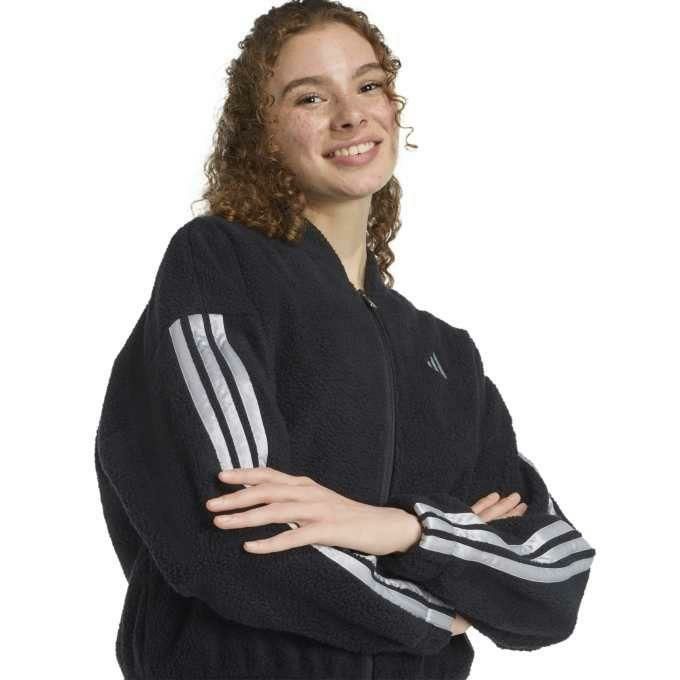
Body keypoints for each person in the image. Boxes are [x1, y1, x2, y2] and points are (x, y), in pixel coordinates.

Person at [94, 2, 596, 679]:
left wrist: (402, 528)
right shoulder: (217, 266)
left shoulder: (447, 354)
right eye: (310, 97)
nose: (351, 115)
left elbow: (555, 577)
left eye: (369, 85)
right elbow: (238, 532)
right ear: (262, 133)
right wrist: (440, 609)